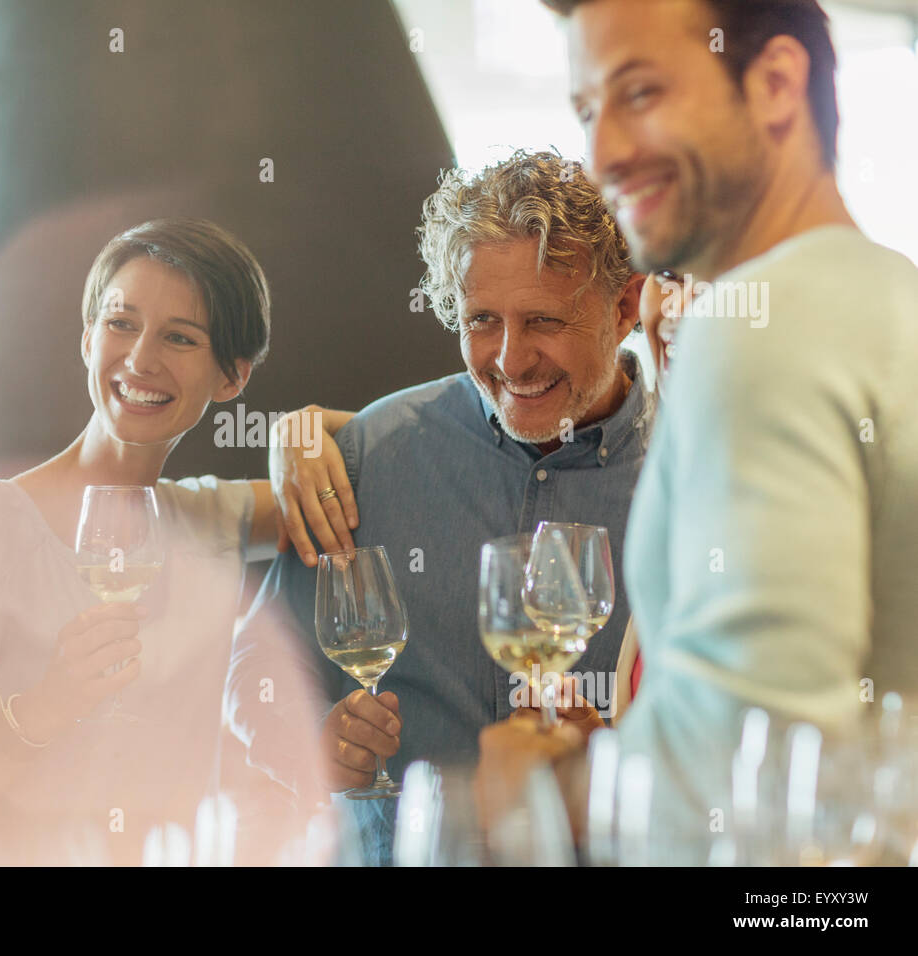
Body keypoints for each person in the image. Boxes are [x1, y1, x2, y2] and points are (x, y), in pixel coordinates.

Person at [478, 0, 918, 861]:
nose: (603, 155)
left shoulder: (759, 324)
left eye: (638, 94)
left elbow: (760, 766)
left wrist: (552, 794)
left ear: (776, 85)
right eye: (587, 111)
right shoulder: (889, 296)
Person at [0, 217, 351, 865]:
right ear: (87, 336)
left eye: (180, 337)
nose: (140, 358)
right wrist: (44, 709)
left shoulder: (207, 519)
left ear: (233, 377)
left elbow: (395, 444)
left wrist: (301, 430)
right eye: (121, 323)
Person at [225, 149, 650, 864]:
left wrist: (611, 765)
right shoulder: (368, 455)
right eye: (483, 319)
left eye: (544, 320)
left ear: (626, 306)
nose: (511, 361)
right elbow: (252, 674)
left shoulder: (694, 479)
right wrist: (303, 743)